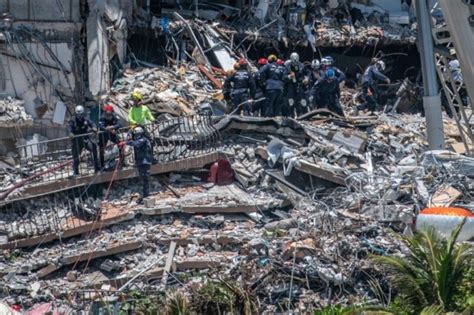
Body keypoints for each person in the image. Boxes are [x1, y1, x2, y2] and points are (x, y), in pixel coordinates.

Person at [68, 105, 100, 176]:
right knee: (76, 156)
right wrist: (70, 133)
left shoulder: (86, 119)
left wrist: (94, 127)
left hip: (85, 139)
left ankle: (97, 169)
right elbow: (70, 128)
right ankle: (75, 172)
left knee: (94, 149)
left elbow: (91, 124)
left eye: (81, 114)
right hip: (77, 140)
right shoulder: (73, 120)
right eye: (78, 114)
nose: (79, 116)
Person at [127, 126, 153, 203]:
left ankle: (146, 196)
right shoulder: (140, 139)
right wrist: (129, 133)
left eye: (137, 134)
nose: (136, 136)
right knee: (142, 179)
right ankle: (144, 195)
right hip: (140, 162)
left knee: (145, 179)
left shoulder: (143, 140)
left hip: (145, 162)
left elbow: (136, 144)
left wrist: (127, 142)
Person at [98, 105, 124, 169]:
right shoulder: (102, 117)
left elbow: (120, 124)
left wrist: (113, 127)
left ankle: (122, 162)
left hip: (112, 134)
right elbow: (101, 126)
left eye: (110, 113)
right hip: (104, 135)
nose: (108, 114)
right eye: (107, 113)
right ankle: (102, 165)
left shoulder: (114, 116)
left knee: (121, 144)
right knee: (101, 149)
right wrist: (108, 129)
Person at [284, 52, 305, 117]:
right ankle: (291, 115)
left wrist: (306, 79)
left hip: (299, 84)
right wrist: (289, 76)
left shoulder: (301, 65)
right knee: (291, 101)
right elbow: (284, 76)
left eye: (296, 58)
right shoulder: (288, 65)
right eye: (293, 58)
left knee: (301, 101)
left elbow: (306, 74)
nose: (295, 60)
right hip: (291, 85)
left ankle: (301, 115)